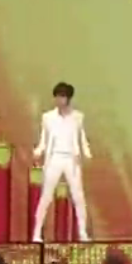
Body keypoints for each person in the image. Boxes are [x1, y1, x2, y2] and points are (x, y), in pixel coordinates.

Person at [31, 81, 92, 242]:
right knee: (46, 196)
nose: (59, 100)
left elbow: (82, 138)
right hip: (55, 159)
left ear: (68, 98)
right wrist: (38, 151)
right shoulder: (48, 117)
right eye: (57, 97)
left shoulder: (78, 117)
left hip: (71, 159)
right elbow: (44, 140)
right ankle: (36, 233)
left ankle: (82, 233)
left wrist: (86, 153)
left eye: (62, 97)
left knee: (78, 197)